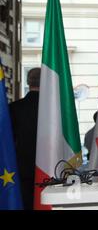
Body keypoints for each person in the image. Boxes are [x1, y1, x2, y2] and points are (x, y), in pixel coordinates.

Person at [9, 67, 40, 210]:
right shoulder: (56, 109)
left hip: (22, 168)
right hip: (50, 168)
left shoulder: (14, 108)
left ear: (28, 82)